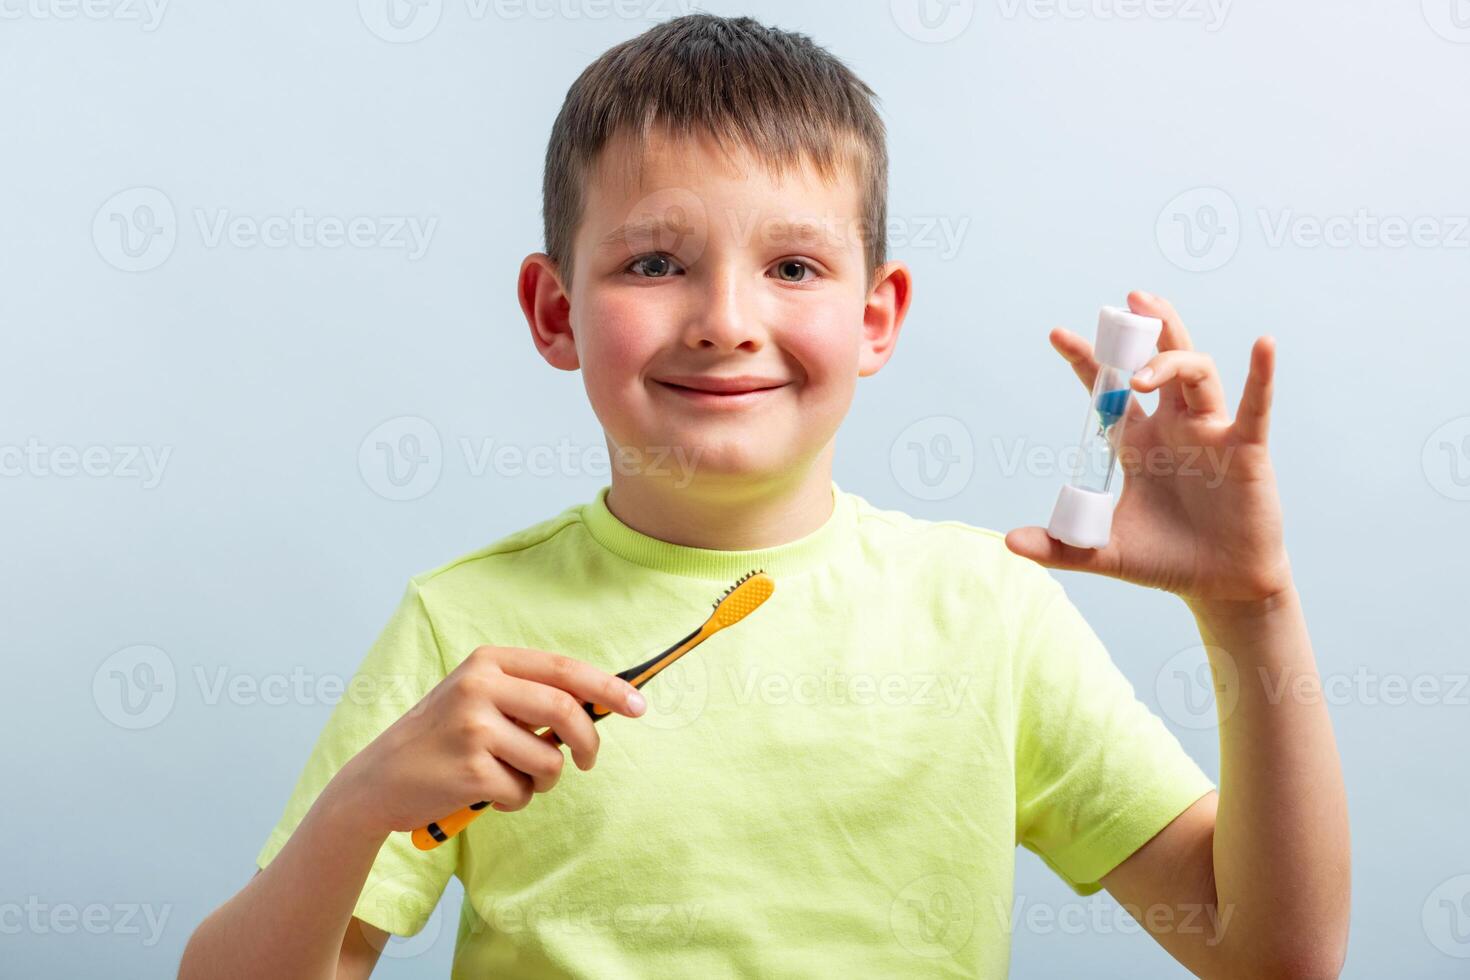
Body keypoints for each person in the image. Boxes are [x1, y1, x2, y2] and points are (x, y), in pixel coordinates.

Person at [179, 13, 1349, 978]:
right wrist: (358, 809)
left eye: (792, 267)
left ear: (875, 316)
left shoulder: (987, 611)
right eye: (653, 261)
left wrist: (1251, 603)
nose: (727, 319)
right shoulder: (462, 626)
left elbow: (1274, 956)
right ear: (553, 313)